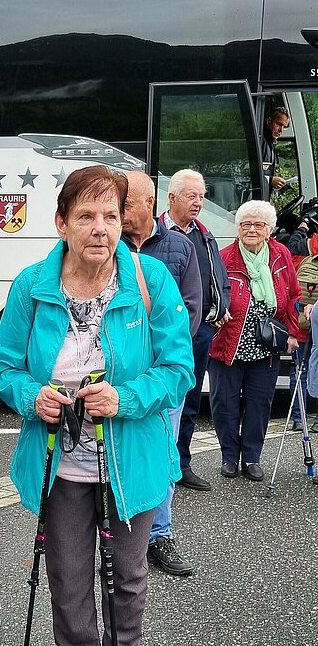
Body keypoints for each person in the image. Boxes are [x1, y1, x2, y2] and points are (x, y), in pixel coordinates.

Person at [0, 165, 194, 646]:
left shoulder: (150, 280)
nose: (100, 228)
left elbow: (179, 368)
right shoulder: (32, 285)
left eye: (111, 215)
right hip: (58, 460)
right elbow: (2, 367)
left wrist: (123, 398)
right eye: (85, 216)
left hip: (131, 457)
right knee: (67, 571)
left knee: (128, 572)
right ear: (62, 223)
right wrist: (32, 396)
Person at [122, 170, 202, 578]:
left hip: (163, 376)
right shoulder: (109, 244)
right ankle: (119, 535)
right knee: (116, 454)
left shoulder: (180, 246)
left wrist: (160, 357)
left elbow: (191, 308)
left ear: (148, 203)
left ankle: (159, 536)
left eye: (124, 204)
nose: (116, 213)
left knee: (163, 456)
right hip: (121, 377)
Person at [208, 200, 301, 481]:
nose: (251, 229)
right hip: (227, 343)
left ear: (269, 229)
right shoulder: (224, 258)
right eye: (245, 224)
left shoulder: (280, 255)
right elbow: (210, 295)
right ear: (238, 227)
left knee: (259, 403)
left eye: (258, 225)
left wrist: (292, 332)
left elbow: (293, 295)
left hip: (266, 346)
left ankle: (251, 458)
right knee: (224, 404)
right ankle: (229, 457)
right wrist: (216, 314)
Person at [160, 169, 231, 491]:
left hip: (199, 331)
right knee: (162, 401)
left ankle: (181, 465)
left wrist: (221, 305)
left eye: (201, 197)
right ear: (171, 197)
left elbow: (219, 277)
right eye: (191, 196)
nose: (198, 203)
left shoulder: (204, 235)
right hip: (164, 334)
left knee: (189, 401)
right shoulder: (157, 234)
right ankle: (156, 466)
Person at [284, 219, 318, 432]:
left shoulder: (305, 249)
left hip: (301, 323)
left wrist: (301, 229)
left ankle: (298, 418)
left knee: (299, 371)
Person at [260, 106, 291, 197]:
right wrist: (270, 180)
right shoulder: (261, 142)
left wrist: (276, 184)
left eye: (284, 127)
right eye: (279, 124)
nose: (281, 130)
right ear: (269, 121)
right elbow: (248, 171)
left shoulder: (270, 144)